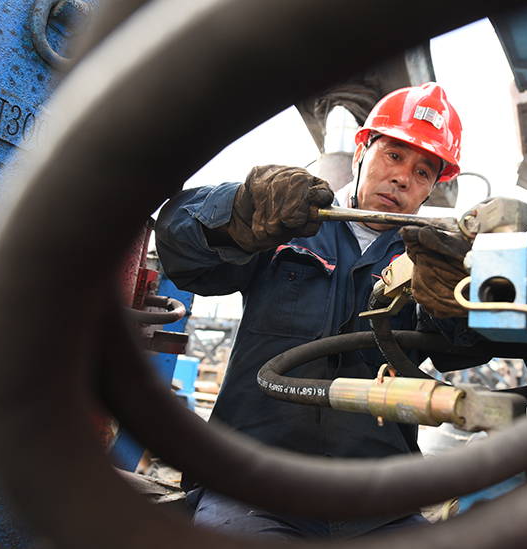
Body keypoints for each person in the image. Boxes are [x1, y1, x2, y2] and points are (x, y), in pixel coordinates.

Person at [155, 82, 480, 541]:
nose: (403, 178)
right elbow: (179, 247)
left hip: (379, 501)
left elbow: (461, 346)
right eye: (394, 155)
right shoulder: (286, 225)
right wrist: (239, 211)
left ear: (430, 190)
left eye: (423, 171)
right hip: (252, 484)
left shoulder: (427, 264)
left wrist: (463, 294)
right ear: (361, 152)